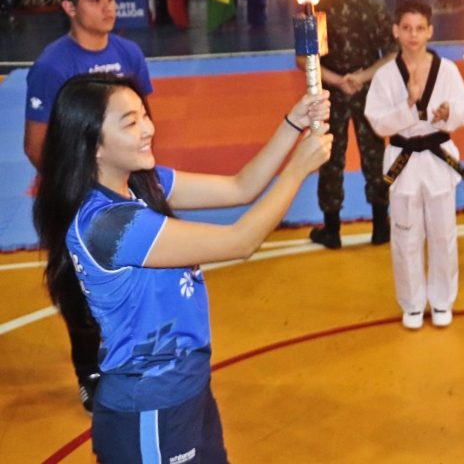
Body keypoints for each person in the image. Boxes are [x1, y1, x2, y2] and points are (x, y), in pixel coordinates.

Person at [34, 73, 332, 462]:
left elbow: (240, 187)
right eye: (131, 122)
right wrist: (297, 170)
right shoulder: (108, 224)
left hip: (187, 388)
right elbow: (240, 241)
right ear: (93, 147)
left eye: (145, 115)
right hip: (149, 409)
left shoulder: (142, 183)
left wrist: (292, 123)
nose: (149, 129)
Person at [22, 0, 153, 413]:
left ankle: (134, 356)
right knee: (80, 291)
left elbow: (145, 123)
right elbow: (36, 145)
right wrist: (85, 185)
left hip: (126, 190)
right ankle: (89, 373)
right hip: (77, 197)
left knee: (134, 279)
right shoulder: (52, 66)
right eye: (95, 0)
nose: (108, 6)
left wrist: (137, 179)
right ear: (68, 7)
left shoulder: (131, 55)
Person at [364, 0, 464, 330]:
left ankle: (442, 301)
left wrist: (445, 114)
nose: (413, 35)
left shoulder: (448, 70)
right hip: (403, 160)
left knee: (443, 235)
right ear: (396, 31)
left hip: (438, 159)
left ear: (430, 31)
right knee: (406, 235)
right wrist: (409, 105)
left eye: (420, 28)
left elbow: (463, 108)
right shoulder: (384, 76)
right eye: (407, 28)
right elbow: (378, 122)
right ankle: (412, 304)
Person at [307, 0, 397, 249]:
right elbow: (394, 53)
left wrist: (338, 80)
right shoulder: (372, 6)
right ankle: (380, 226)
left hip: (331, 93)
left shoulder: (318, 7)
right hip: (367, 90)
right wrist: (360, 77)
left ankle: (331, 230)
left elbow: (304, 59)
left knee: (330, 157)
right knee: (374, 155)